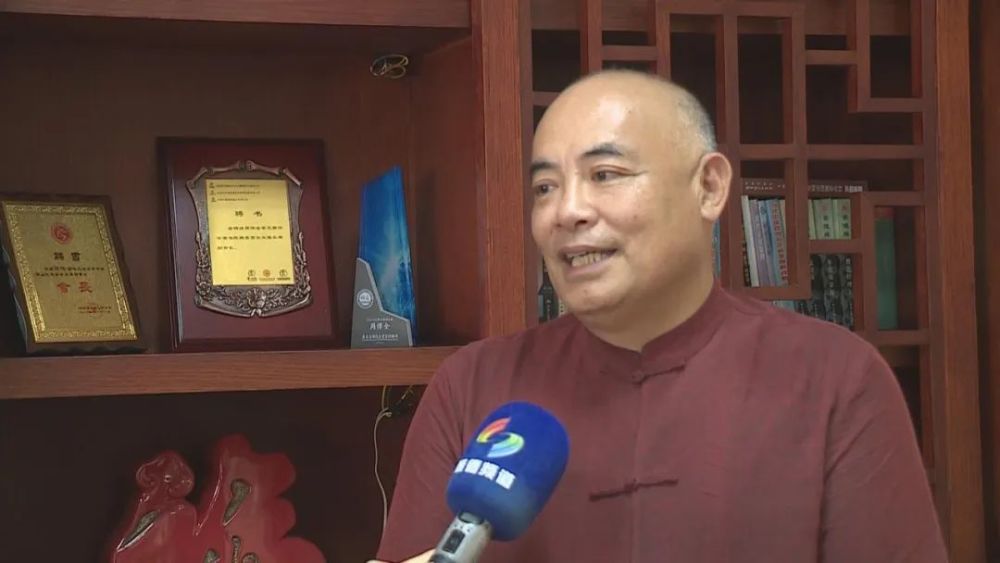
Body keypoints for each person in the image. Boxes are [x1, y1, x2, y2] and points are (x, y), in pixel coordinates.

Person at [369, 69, 947, 563]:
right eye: (545, 187)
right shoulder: (472, 385)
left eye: (605, 175)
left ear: (709, 187)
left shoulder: (835, 378)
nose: (567, 211)